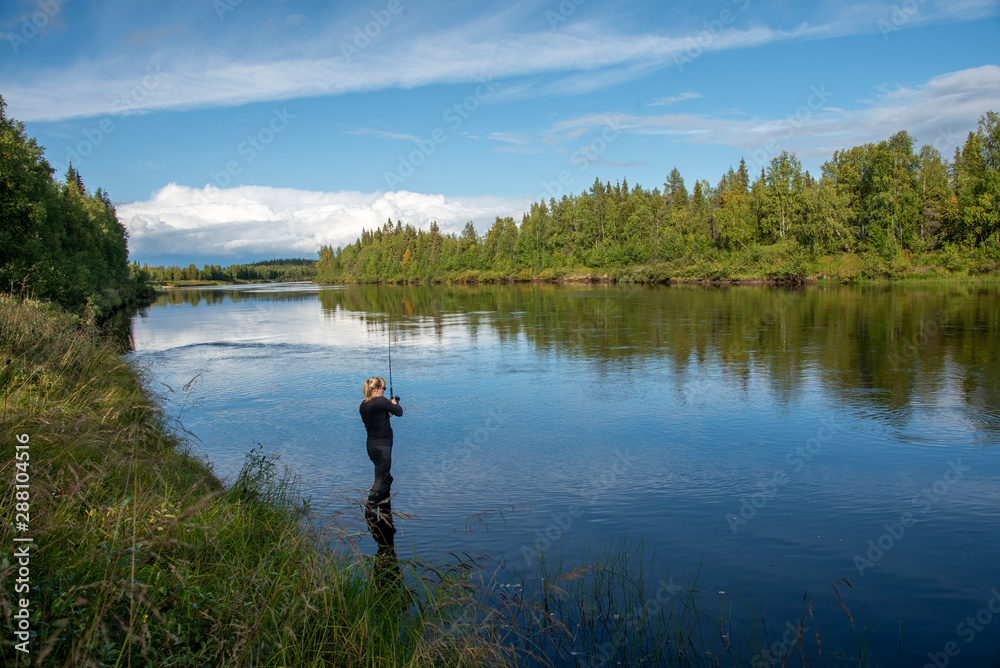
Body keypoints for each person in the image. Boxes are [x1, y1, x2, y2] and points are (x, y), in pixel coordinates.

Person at [359, 376, 403, 519]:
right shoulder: (381, 401)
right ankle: (370, 511)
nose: (384, 391)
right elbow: (399, 412)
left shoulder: (364, 405)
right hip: (382, 446)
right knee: (381, 480)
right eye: (383, 388)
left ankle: (385, 509)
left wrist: (389, 408)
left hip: (371, 446)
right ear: (376, 390)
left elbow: (381, 418)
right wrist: (395, 403)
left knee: (385, 477)